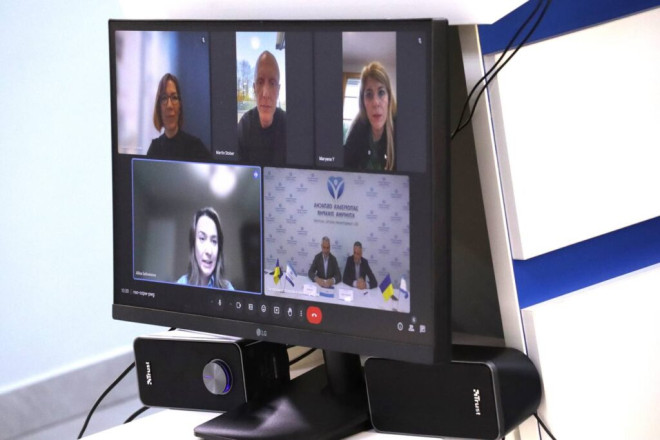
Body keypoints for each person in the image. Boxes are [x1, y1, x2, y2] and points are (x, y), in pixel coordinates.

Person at [344, 61, 397, 171]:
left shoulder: (401, 133)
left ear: (389, 98)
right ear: (363, 102)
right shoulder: (357, 130)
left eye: (381, 92)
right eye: (369, 94)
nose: (376, 103)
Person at [237, 51, 286, 165]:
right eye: (260, 82)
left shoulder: (289, 126)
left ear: (278, 90)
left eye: (272, 83)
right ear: (254, 88)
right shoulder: (244, 127)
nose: (265, 93)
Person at [147, 73, 211, 160]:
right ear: (159, 108)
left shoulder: (195, 147)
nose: (169, 105)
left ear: (180, 106)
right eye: (164, 98)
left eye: (174, 97)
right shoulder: (154, 149)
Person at [178, 207, 234, 289]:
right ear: (193, 243)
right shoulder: (181, 285)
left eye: (214, 241)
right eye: (202, 238)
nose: (209, 251)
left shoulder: (228, 289)